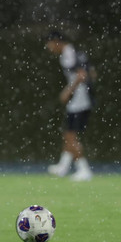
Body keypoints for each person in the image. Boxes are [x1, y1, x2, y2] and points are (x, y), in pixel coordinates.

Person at [44, 30, 96, 182]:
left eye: (50, 43)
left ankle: (84, 169)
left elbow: (82, 75)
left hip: (80, 99)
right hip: (82, 98)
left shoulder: (69, 54)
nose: (49, 47)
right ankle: (64, 166)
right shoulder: (76, 52)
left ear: (57, 42)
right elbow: (92, 73)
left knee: (71, 135)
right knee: (68, 132)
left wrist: (69, 91)